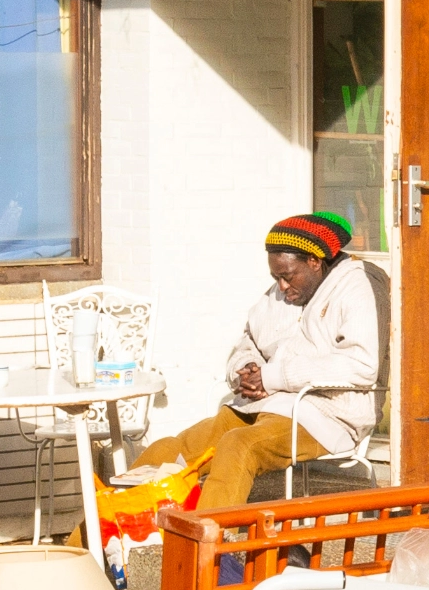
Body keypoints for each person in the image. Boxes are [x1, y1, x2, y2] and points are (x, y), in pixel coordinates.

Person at [135, 212, 381, 507]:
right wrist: (246, 369)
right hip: (262, 405)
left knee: (238, 445)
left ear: (315, 261)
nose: (282, 287)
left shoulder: (360, 285)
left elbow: (362, 365)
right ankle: (91, 543)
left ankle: (206, 546)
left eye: (287, 276)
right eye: (276, 277)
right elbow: (249, 339)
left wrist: (272, 377)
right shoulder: (285, 290)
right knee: (169, 449)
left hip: (323, 414)